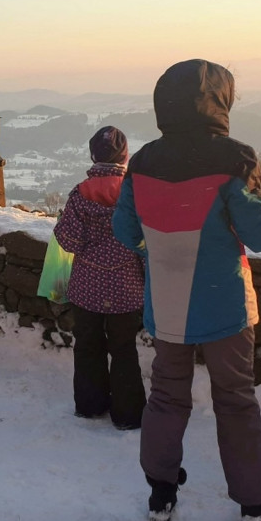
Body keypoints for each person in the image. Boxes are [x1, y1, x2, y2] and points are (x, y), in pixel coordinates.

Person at [112, 59, 261, 521]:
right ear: (220, 101)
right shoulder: (232, 159)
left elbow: (125, 231)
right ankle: (255, 503)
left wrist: (159, 245)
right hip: (224, 303)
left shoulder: (142, 163)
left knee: (165, 397)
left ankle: (160, 496)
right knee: (235, 400)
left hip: (167, 301)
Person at [53, 126, 146, 430]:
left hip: (87, 286)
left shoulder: (80, 194)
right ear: (124, 155)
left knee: (88, 345)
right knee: (123, 349)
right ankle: (128, 414)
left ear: (93, 155)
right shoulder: (135, 194)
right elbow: (145, 241)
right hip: (127, 286)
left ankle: (90, 405)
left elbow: (68, 240)